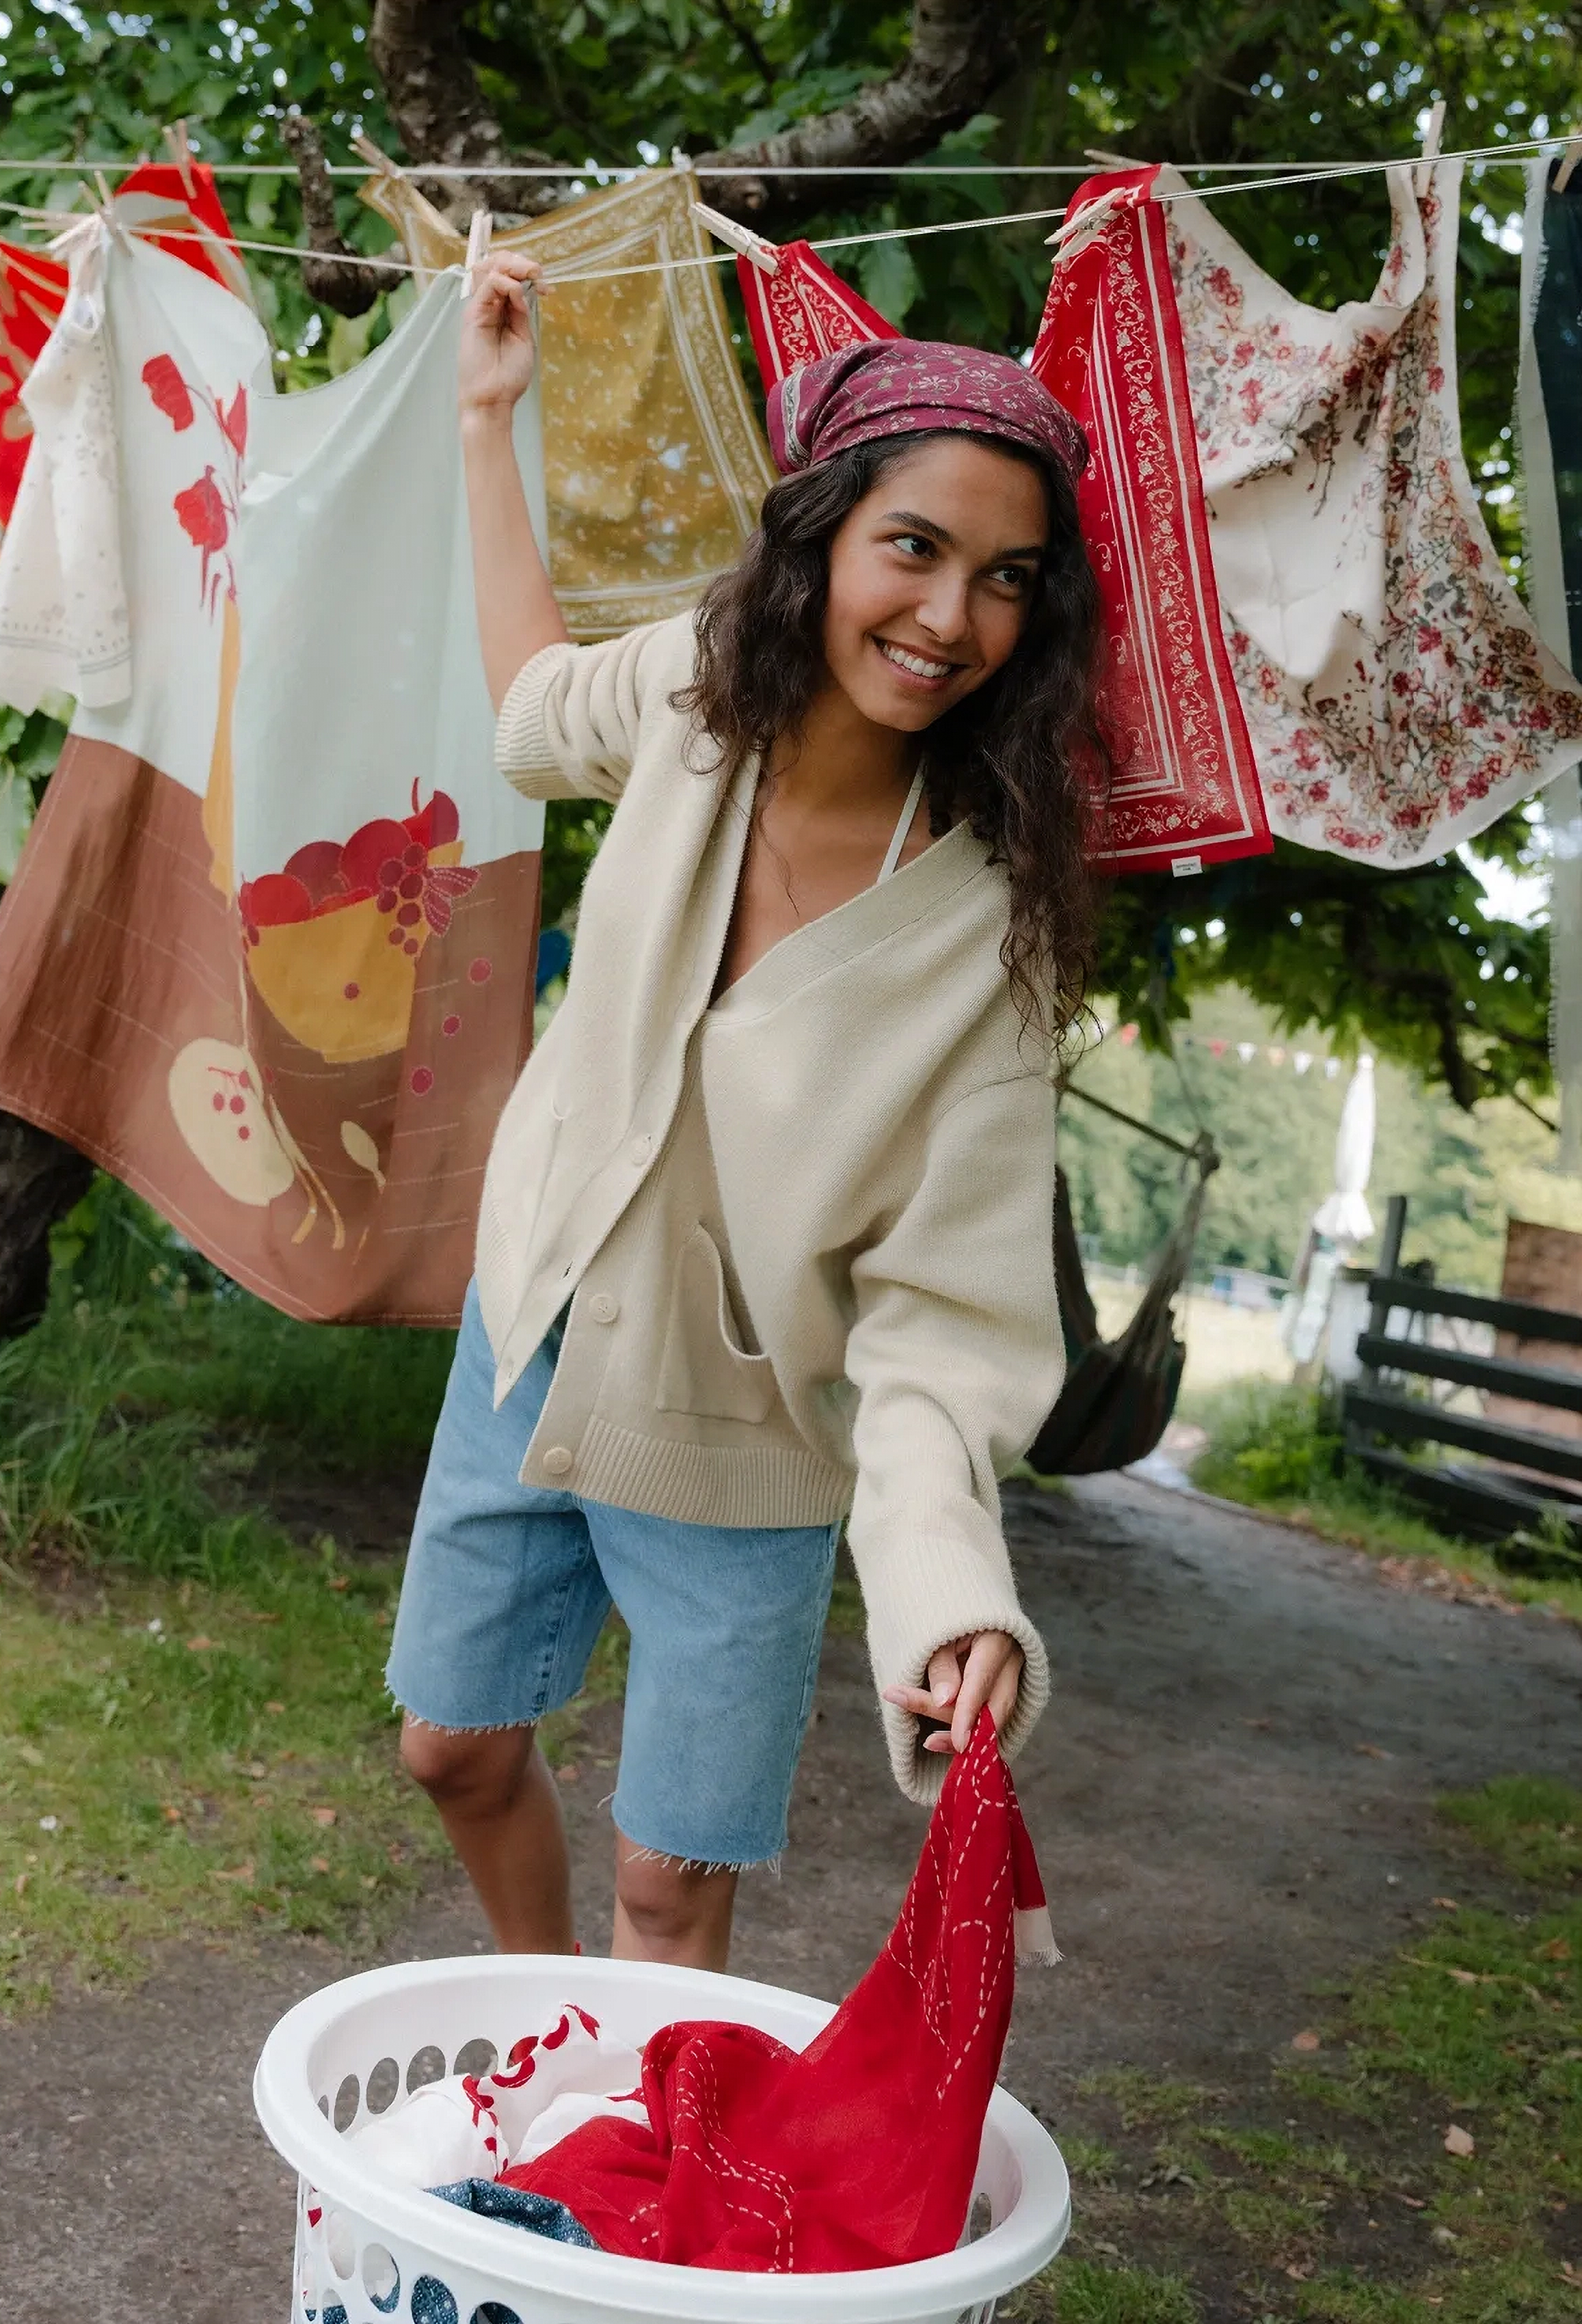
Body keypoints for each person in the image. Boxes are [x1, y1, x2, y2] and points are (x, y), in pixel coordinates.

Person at [388, 251, 1108, 1972]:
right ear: (824, 540)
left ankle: (630, 2182)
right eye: (914, 549)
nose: (949, 617)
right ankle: (551, 2025)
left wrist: (948, 1599)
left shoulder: (987, 941)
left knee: (672, 1884)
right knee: (451, 1745)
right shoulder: (690, 711)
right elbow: (527, 703)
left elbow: (950, 1316)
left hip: (743, 1444)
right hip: (534, 1334)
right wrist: (487, 422)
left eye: (1005, 580)